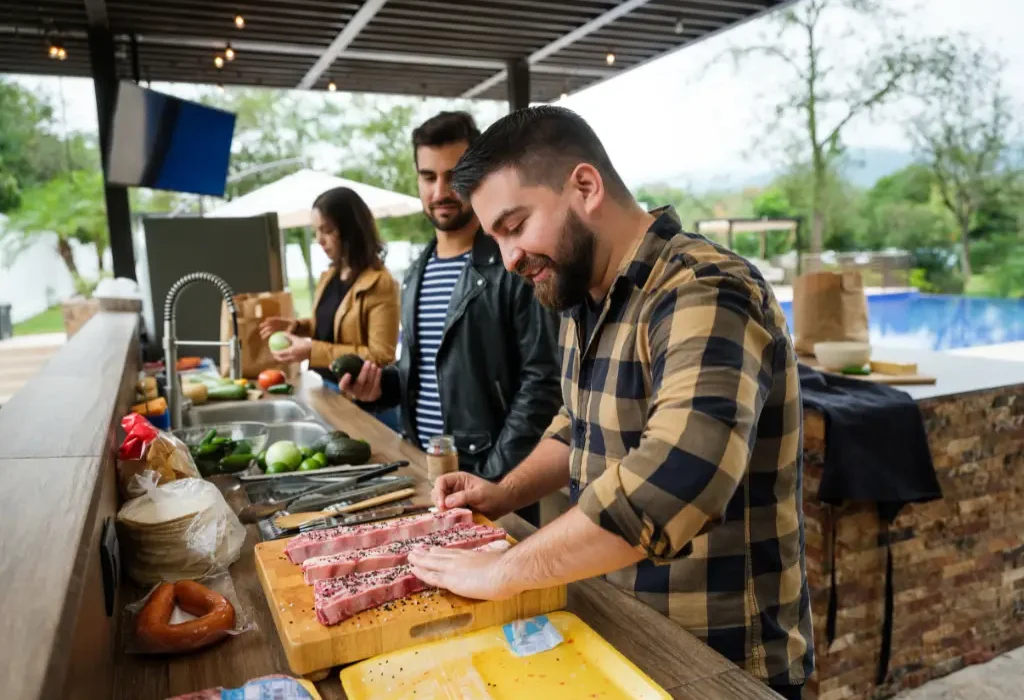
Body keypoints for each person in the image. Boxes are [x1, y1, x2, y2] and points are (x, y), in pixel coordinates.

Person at [399, 106, 814, 699]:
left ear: (585, 187)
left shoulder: (704, 288)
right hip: (619, 635)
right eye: (497, 238)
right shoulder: (580, 296)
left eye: (516, 225)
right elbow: (576, 425)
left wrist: (502, 570)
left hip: (718, 662)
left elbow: (675, 477)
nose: (511, 258)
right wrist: (504, 491)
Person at [340, 111, 562, 525]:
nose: (440, 190)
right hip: (424, 472)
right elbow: (426, 372)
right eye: (428, 176)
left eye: (454, 174)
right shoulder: (416, 271)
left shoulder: (513, 264)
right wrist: (381, 389)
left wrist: (493, 479)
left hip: (492, 479)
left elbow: (544, 383)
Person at [259, 187, 400, 384]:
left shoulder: (381, 283)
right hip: (324, 386)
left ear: (352, 231)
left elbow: (380, 356)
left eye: (328, 230)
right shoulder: (330, 275)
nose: (319, 240)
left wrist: (311, 350)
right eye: (316, 231)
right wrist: (298, 326)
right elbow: (333, 327)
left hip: (359, 400)